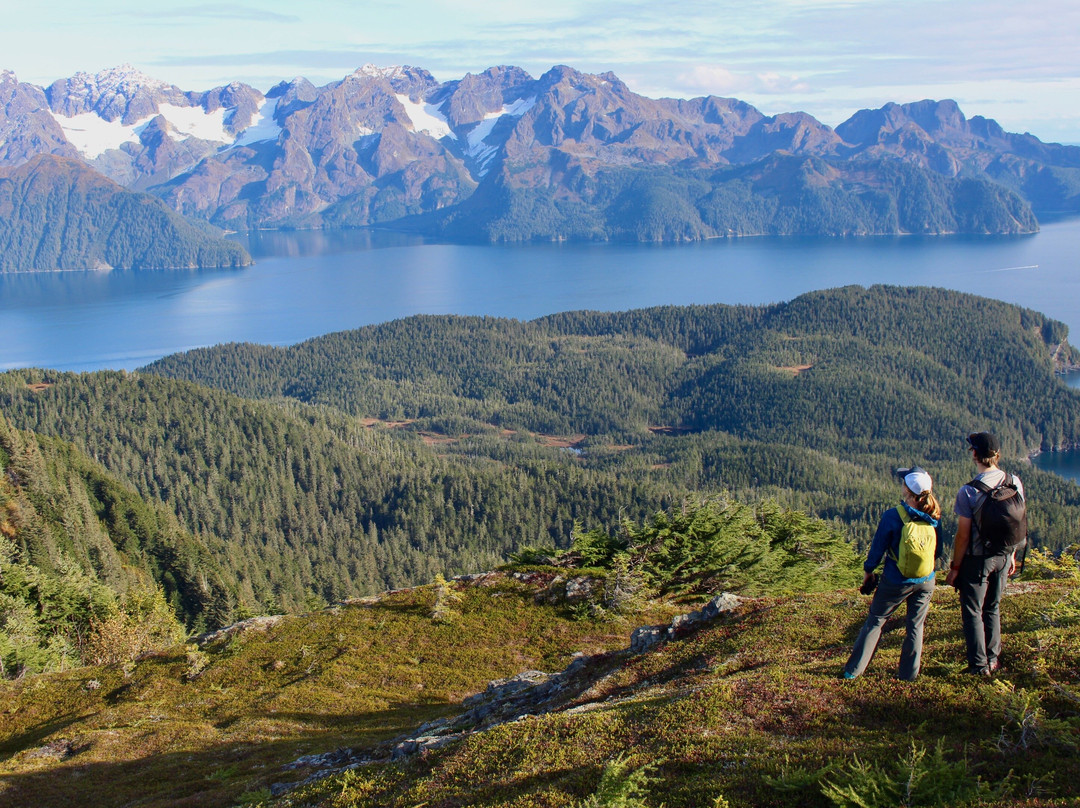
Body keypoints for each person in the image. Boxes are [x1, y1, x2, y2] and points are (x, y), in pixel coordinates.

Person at [842, 467, 943, 681]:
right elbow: (939, 551)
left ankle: (853, 671)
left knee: (877, 620)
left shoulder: (893, 515)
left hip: (896, 580)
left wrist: (869, 572)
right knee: (915, 625)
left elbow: (877, 549)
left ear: (907, 490)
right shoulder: (934, 515)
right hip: (926, 580)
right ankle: (908, 676)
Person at [945, 431, 1025, 675]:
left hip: (978, 560)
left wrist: (955, 568)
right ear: (997, 455)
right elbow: (1016, 523)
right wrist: (1011, 555)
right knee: (993, 607)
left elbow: (963, 536)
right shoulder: (1014, 481)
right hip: (1003, 556)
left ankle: (978, 666)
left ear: (975, 454)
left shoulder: (968, 492)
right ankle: (993, 659)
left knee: (972, 611)